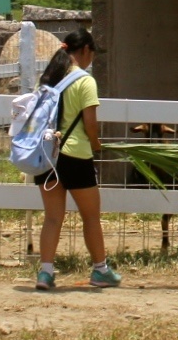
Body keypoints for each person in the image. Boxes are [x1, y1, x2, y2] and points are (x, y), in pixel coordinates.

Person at [34, 30, 121, 292]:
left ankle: (46, 272)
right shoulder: (85, 81)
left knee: (52, 218)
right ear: (85, 51)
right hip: (75, 155)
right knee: (91, 216)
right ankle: (101, 270)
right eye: (92, 54)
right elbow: (90, 123)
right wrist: (96, 145)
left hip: (47, 155)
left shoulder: (49, 78)